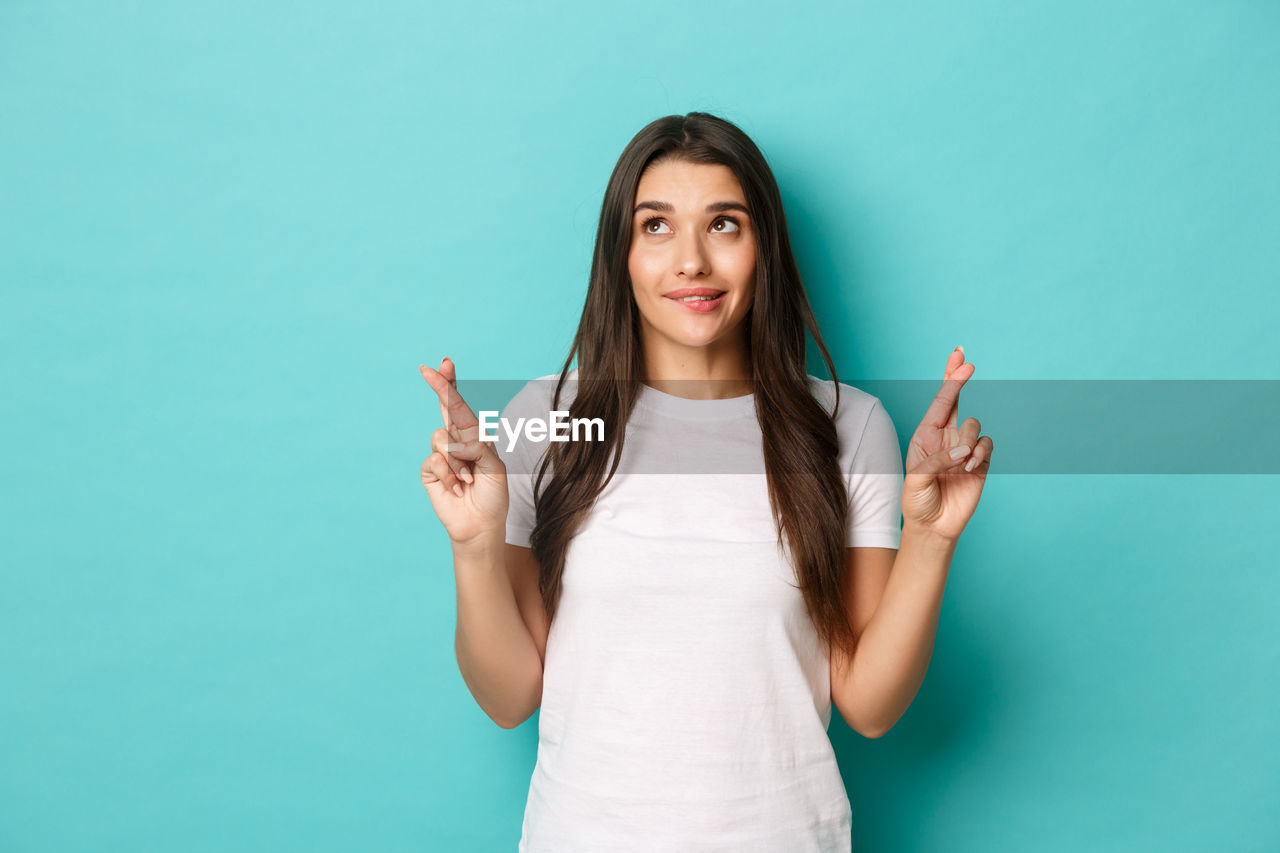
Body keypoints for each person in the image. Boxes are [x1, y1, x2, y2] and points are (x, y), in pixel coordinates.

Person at [418, 112, 994, 852]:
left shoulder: (848, 427)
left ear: (764, 249)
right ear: (620, 255)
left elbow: (870, 704)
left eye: (724, 224)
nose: (690, 260)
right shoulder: (551, 419)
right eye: (656, 227)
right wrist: (472, 545)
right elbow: (508, 696)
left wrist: (932, 537)